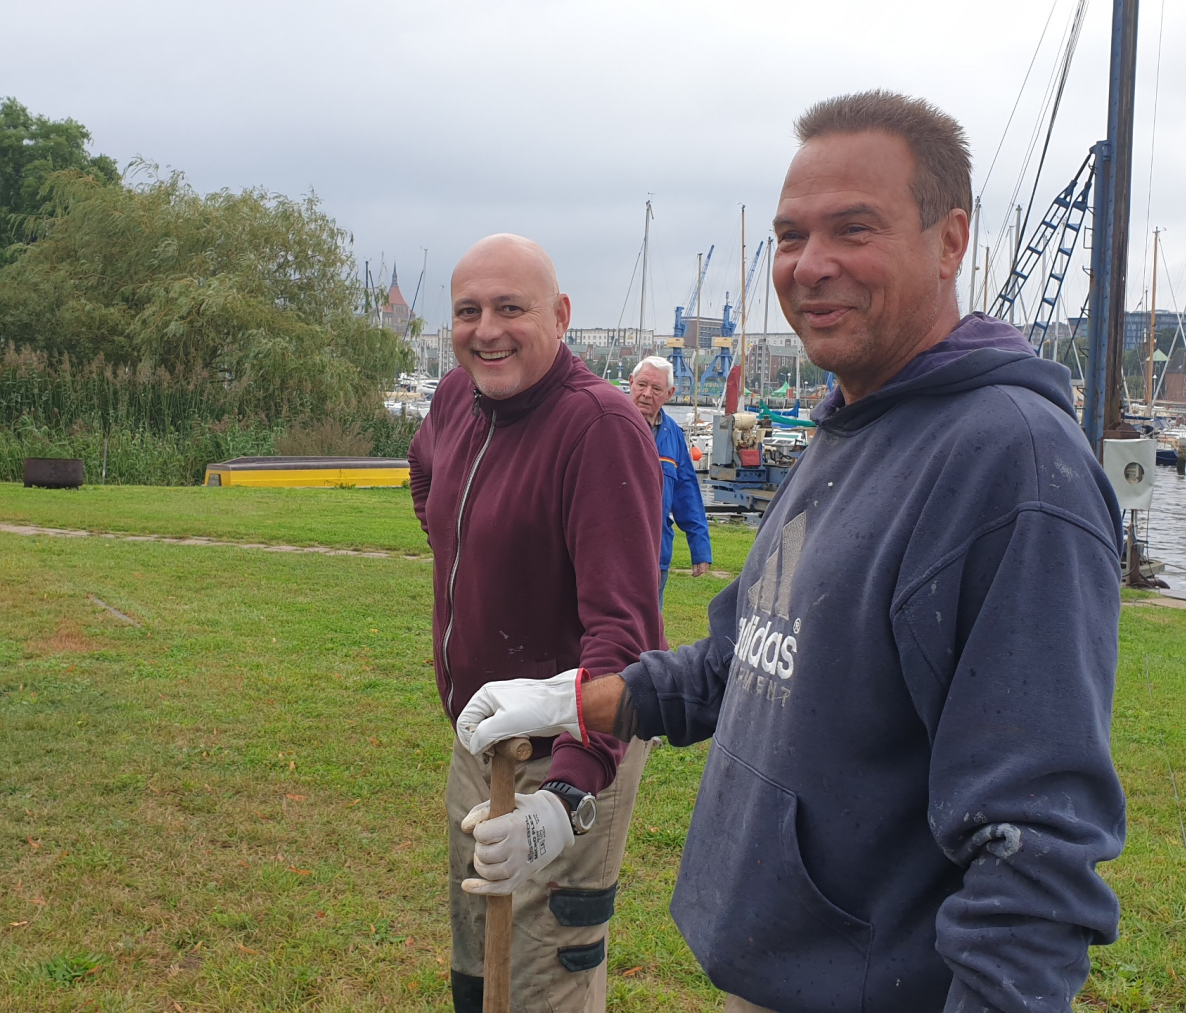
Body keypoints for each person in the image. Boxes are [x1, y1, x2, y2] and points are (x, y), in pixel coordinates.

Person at [454, 93, 1126, 1012]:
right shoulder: (850, 424)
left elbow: (1034, 850)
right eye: (790, 235)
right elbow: (743, 661)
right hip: (781, 970)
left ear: (950, 240)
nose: (810, 265)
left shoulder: (1012, 466)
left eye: (854, 228)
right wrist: (578, 700)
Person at [407, 233, 664, 1013]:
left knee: (541, 981)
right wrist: (469, 547)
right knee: (477, 968)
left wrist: (562, 801)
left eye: (510, 308)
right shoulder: (456, 399)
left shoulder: (599, 426)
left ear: (560, 315)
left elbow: (624, 641)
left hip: (570, 752)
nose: (487, 330)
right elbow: (426, 477)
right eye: (468, 311)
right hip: (480, 742)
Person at [628, 356, 713, 600]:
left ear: (670, 393)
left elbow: (686, 492)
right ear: (631, 382)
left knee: (650, 620)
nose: (646, 394)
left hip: (656, 552)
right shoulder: (609, 423)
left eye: (656, 388)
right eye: (641, 385)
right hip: (611, 550)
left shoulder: (673, 434)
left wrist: (700, 546)